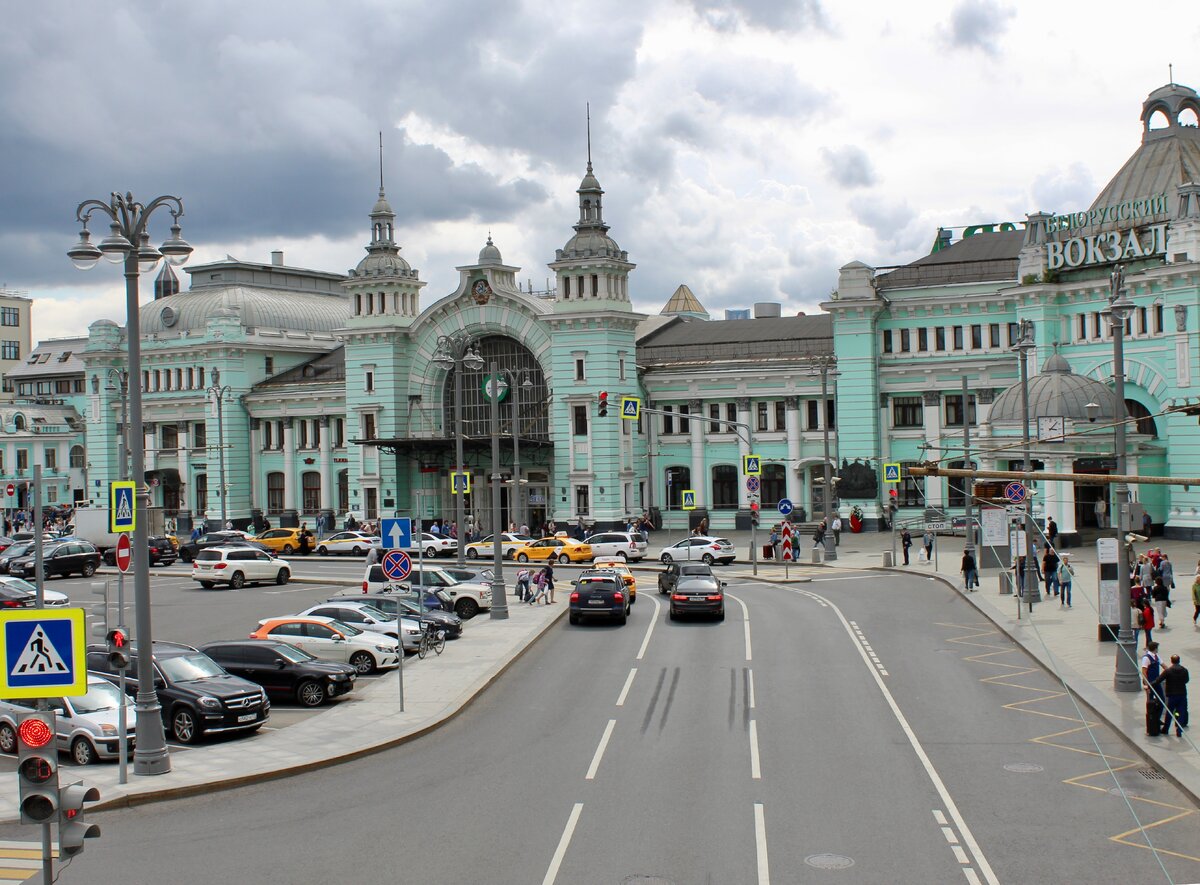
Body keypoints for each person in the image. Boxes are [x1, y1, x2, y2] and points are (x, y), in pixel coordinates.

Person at [1152, 653, 1190, 737]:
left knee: (1169, 713)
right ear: (1179, 661)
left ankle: (1166, 729)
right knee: (1181, 712)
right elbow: (1186, 680)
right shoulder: (1184, 670)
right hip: (1182, 694)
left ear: (1171, 661)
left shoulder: (1168, 671)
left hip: (1172, 695)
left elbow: (1158, 680)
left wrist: (1150, 684)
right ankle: (1179, 729)